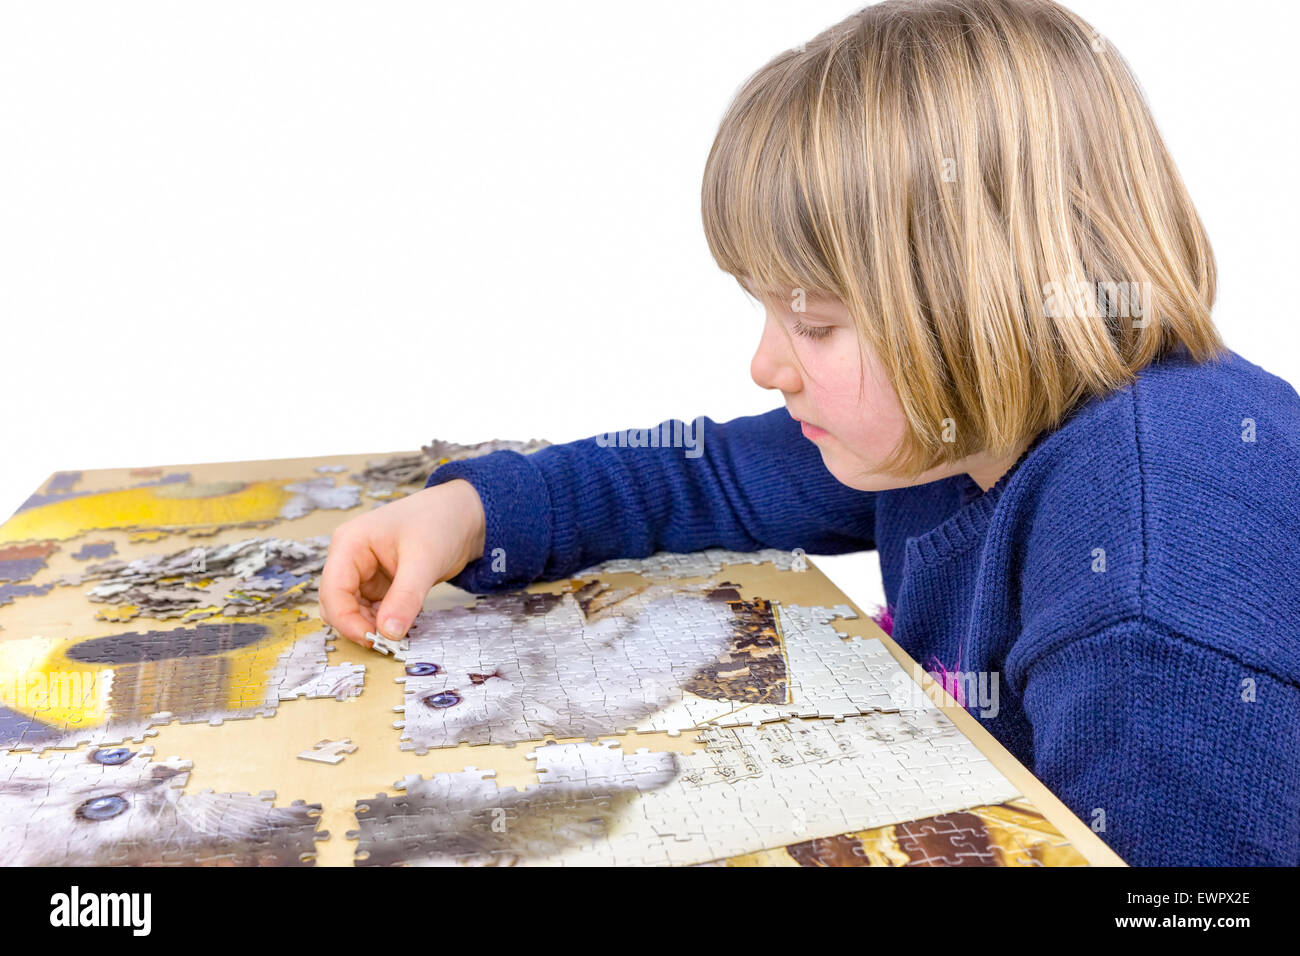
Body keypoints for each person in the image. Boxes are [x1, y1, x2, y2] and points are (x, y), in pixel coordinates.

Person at [319, 0, 1300, 866]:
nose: (766, 363)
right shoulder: (950, 426)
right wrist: (472, 507)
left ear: (979, 300)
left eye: (816, 323)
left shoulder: (1146, 579)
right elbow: (703, 477)